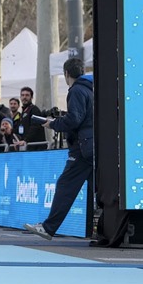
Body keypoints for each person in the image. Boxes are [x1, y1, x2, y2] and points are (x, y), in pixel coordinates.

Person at [24, 58, 94, 240]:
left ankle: (48, 228)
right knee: (98, 191)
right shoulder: (91, 88)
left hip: (82, 148)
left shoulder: (76, 91)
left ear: (66, 74)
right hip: (93, 146)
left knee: (65, 186)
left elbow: (74, 120)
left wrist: (53, 123)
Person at [17, 86, 48, 151]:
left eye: (27, 95)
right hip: (29, 146)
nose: (24, 97)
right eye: (22, 95)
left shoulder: (34, 110)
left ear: (31, 97)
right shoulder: (24, 111)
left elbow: (35, 127)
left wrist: (26, 140)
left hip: (36, 147)